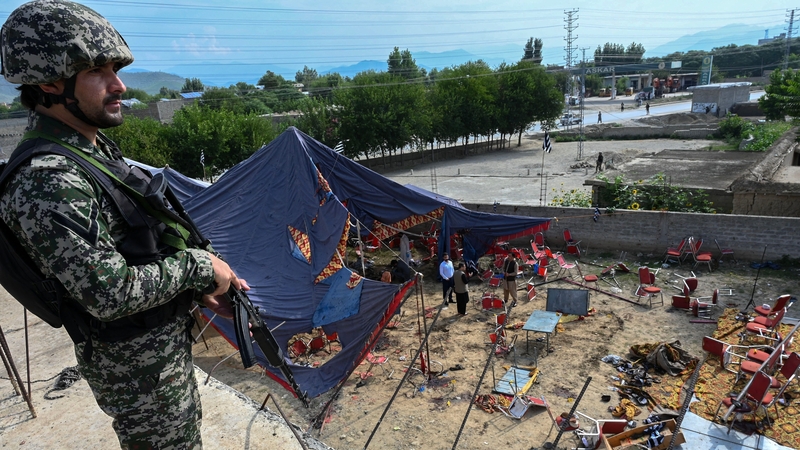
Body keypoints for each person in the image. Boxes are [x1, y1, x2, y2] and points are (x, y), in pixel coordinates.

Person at [0, 1, 245, 447]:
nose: (120, 85)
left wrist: (195, 288)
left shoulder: (91, 151)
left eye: (116, 68)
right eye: (98, 71)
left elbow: (134, 246)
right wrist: (198, 267)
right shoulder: (48, 180)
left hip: (158, 356)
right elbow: (109, 293)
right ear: (49, 82)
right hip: (137, 376)